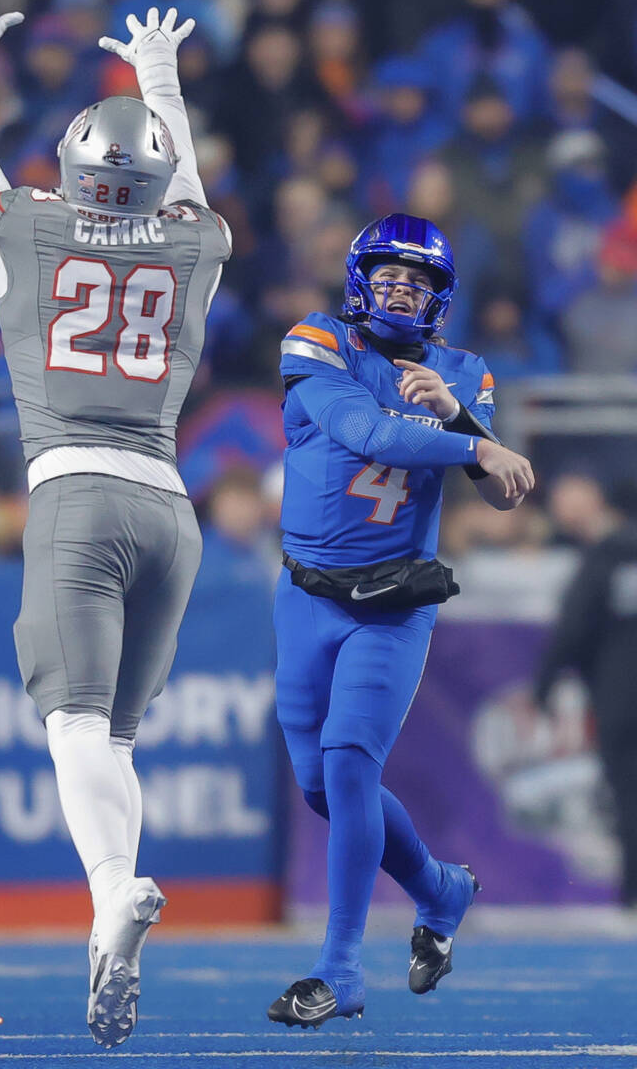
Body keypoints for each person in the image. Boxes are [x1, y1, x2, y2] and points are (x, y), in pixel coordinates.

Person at [0, 0, 231, 1047]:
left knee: (71, 727)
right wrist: (158, 73)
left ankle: (110, 892)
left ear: (68, 168)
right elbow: (185, 178)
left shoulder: (29, 231)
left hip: (74, 493)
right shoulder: (198, 242)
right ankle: (105, 922)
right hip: (171, 511)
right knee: (116, 740)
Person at [269, 212, 534, 1028]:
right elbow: (366, 431)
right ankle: (440, 889)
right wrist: (471, 444)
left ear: (442, 297)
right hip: (308, 595)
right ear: (358, 281)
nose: (399, 290)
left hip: (394, 603)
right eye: (386, 275)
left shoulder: (465, 372)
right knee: (320, 787)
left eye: (417, 281)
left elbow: (503, 492)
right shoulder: (318, 340)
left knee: (350, 764)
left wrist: (462, 417)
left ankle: (338, 970)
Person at [535, 481, 637, 911]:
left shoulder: (603, 557)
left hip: (622, 696)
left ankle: (632, 893)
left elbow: (573, 630)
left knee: (630, 794)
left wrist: (544, 684)